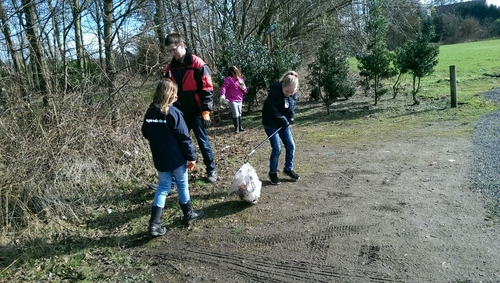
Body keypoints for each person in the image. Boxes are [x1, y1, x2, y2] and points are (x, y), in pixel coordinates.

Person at [142, 79, 204, 236]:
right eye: (175, 93)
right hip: (176, 158)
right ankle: (188, 213)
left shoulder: (150, 112)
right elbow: (184, 137)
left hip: (160, 157)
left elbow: (145, 132)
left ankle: (154, 224)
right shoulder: (174, 113)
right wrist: (192, 157)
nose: (177, 96)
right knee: (182, 184)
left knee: (163, 187)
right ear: (169, 95)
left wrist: (159, 141)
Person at [164, 32, 217, 183]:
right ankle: (176, 177)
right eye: (169, 51)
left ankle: (211, 169)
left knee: (202, 141)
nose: (172, 53)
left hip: (197, 111)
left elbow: (207, 88)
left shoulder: (198, 64)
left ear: (181, 45)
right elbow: (167, 90)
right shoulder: (170, 69)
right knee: (177, 143)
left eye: (173, 49)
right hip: (179, 113)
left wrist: (206, 111)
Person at [262, 71, 301, 185]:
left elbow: (291, 108)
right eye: (286, 91)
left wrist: (291, 117)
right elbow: (273, 111)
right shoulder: (274, 94)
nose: (288, 94)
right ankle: (273, 172)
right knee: (277, 148)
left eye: (291, 92)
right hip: (271, 124)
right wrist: (284, 120)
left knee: (290, 145)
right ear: (282, 86)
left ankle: (288, 169)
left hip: (283, 124)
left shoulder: (292, 95)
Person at [220, 66, 248, 133]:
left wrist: (243, 87)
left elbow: (245, 91)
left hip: (239, 98)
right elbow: (224, 87)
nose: (236, 73)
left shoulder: (240, 80)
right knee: (235, 113)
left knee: (239, 112)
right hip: (232, 99)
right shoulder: (229, 79)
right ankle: (237, 128)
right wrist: (223, 94)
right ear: (232, 72)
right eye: (235, 72)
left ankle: (240, 127)